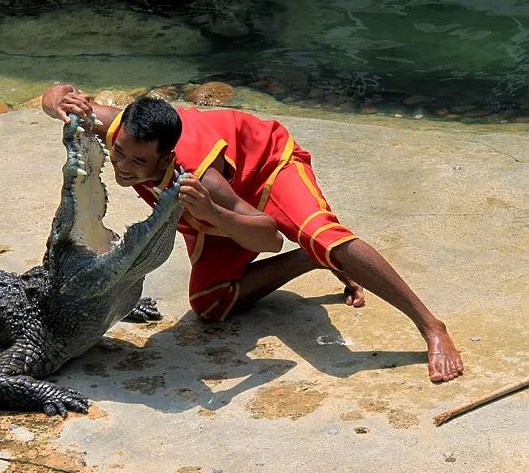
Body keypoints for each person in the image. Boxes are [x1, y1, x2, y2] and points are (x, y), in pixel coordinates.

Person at [41, 83, 464, 383]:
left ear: (165, 157)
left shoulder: (201, 181)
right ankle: (312, 260)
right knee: (210, 304)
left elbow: (269, 237)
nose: (122, 165)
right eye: (118, 152)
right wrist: (61, 101)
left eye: (137, 161)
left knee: (321, 233)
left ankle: (430, 326)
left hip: (265, 166)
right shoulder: (121, 132)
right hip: (210, 207)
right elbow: (54, 93)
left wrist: (213, 214)